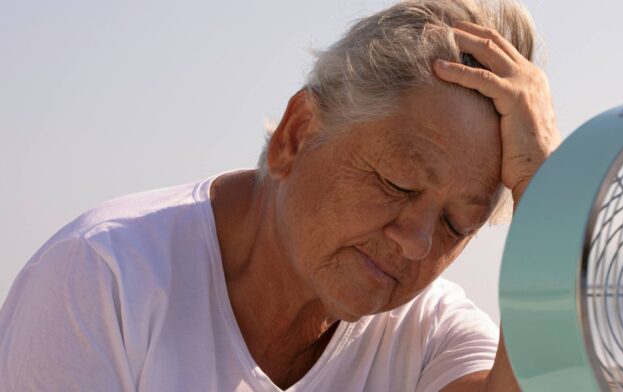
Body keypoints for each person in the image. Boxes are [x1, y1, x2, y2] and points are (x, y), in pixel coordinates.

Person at [0, 0, 558, 390]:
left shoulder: (427, 333)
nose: (415, 243)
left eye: (456, 225)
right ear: (297, 134)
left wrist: (548, 195)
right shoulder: (105, 278)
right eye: (397, 184)